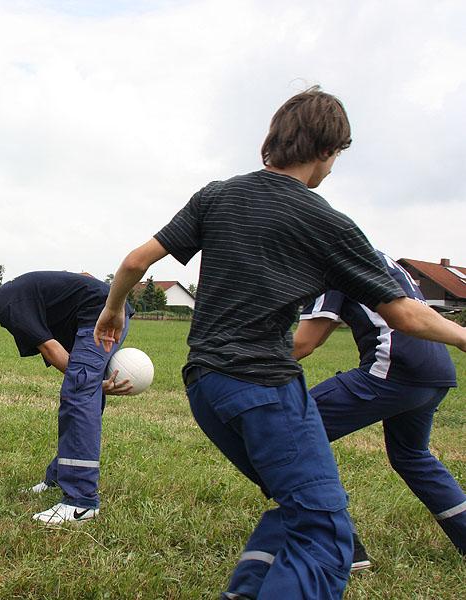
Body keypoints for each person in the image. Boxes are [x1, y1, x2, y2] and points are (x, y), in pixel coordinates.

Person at [93, 87, 466, 599]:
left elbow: (136, 261)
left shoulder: (216, 195)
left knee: (296, 508)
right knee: (324, 537)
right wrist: (462, 336)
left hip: (204, 387)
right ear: (328, 150)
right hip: (265, 388)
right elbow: (403, 313)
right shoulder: (328, 222)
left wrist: (113, 308)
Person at [294, 251, 464, 563]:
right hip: (434, 369)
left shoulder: (330, 258)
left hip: (392, 369)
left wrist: (238, 362)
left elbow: (306, 342)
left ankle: (340, 544)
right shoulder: (377, 258)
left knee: (291, 432)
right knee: (412, 456)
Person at [0, 271, 135, 524]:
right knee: (81, 390)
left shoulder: (4, 303)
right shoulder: (6, 300)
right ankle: (59, 478)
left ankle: (81, 502)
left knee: (78, 392)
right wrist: (89, 382)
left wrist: (88, 382)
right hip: (96, 312)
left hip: (100, 314)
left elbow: (50, 349)